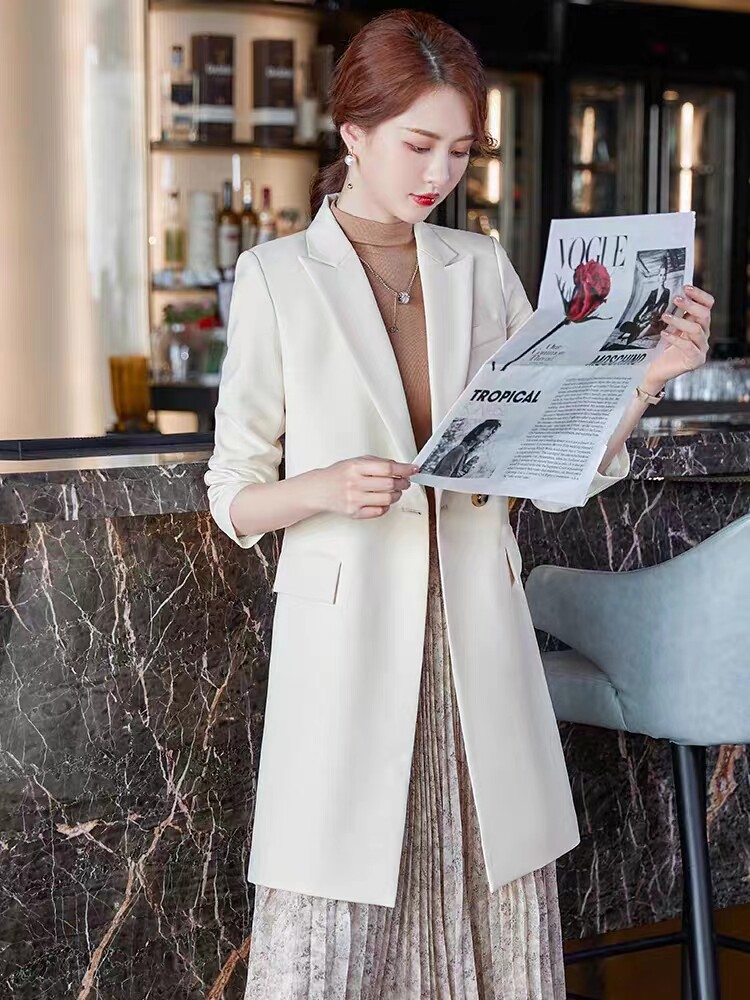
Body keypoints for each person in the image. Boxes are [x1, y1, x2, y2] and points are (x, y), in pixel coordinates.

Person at [204, 11, 713, 998]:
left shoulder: (478, 266)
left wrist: (645, 381)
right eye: (418, 144)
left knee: (495, 903)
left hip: (478, 636)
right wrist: (324, 487)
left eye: (461, 150)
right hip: (349, 643)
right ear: (353, 133)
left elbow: (556, 456)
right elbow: (232, 492)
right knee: (330, 932)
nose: (439, 172)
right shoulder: (275, 278)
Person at [616, 255, 672, 346]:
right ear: (658, 276)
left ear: (665, 277)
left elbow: (664, 306)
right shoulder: (653, 292)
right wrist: (637, 316)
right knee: (632, 325)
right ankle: (631, 332)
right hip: (646, 316)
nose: (662, 278)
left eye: (664, 275)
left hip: (656, 318)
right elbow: (645, 305)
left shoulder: (667, 291)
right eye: (661, 275)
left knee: (648, 326)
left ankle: (631, 336)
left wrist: (656, 317)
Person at [429, 418, 501, 478]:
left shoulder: (465, 452)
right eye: (489, 429)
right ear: (478, 430)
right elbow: (441, 476)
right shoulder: (460, 450)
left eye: (492, 431)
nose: (490, 433)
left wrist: (467, 466)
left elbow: (453, 474)